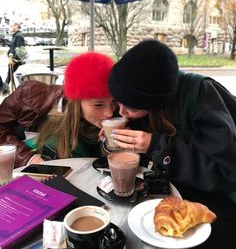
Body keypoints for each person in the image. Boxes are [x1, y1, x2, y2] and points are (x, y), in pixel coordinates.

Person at [108, 39, 236, 249]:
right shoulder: (142, 98)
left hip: (221, 201)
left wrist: (158, 147)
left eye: (129, 106)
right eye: (117, 102)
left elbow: (225, 172)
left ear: (155, 101)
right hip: (171, 192)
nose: (121, 112)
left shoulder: (201, 96)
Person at [0, 52, 116, 168]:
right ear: (75, 100)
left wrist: (111, 144)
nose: (109, 113)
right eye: (98, 105)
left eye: (114, 103)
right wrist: (29, 158)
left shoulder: (120, 114)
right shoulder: (28, 95)